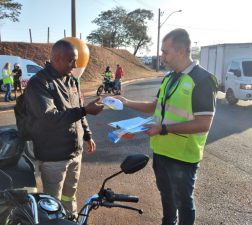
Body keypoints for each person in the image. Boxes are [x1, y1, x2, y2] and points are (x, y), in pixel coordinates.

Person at [116, 28, 218, 225]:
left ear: (181, 51)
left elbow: (203, 124)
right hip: (161, 152)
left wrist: (163, 129)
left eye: (165, 52)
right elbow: (155, 107)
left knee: (184, 204)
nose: (161, 56)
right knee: (166, 198)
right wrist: (126, 102)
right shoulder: (170, 77)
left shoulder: (202, 80)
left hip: (183, 156)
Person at [24, 40, 104, 215]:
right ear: (57, 59)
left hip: (75, 152)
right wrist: (85, 110)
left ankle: (70, 218)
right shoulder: (39, 83)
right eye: (71, 60)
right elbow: (48, 118)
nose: (75, 65)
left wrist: (88, 135)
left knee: (70, 195)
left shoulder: (72, 81)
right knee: (51, 202)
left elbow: (79, 111)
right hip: (54, 157)